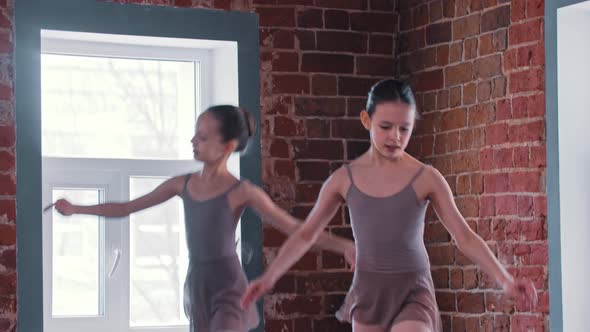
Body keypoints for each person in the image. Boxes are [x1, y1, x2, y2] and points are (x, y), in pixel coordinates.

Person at [241, 80, 538, 332]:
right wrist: (269, 278)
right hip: (369, 290)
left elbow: (464, 236)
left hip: (414, 288)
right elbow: (306, 235)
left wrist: (505, 280)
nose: (395, 137)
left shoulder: (427, 178)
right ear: (366, 120)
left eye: (404, 128)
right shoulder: (343, 179)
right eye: (385, 126)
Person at [46, 105, 355, 332]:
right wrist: (77, 209)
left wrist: (344, 246)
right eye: (195, 134)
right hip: (197, 285)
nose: (193, 141)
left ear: (227, 147)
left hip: (228, 287)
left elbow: (296, 229)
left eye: (203, 137)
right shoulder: (182, 184)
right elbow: (127, 207)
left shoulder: (241, 191)